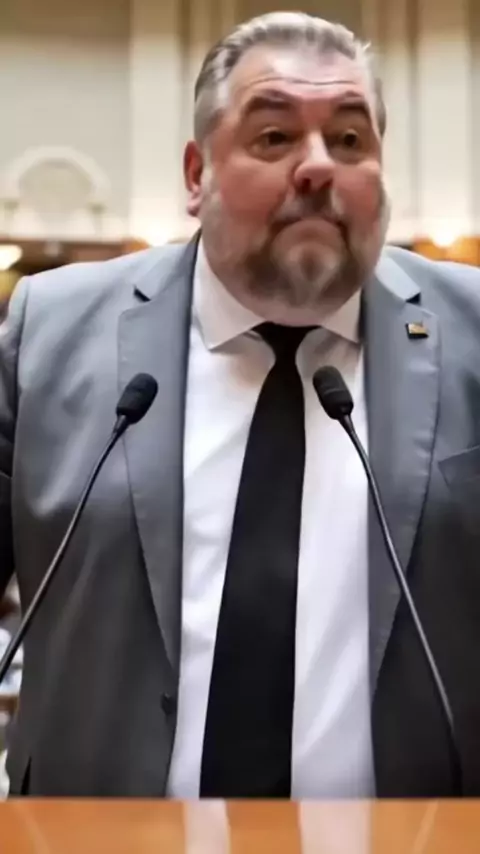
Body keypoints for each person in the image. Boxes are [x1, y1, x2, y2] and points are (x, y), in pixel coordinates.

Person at [1, 11, 480, 800]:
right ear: (197, 176)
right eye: (274, 137)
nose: (318, 166)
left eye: (349, 139)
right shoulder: (50, 335)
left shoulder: (470, 333)